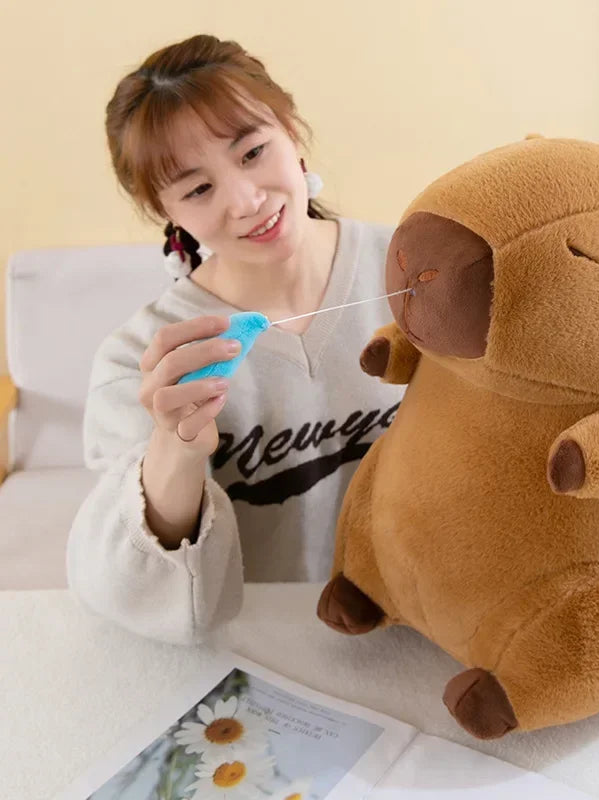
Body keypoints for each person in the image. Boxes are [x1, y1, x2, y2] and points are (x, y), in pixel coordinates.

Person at [66, 34, 404, 645]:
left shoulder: (413, 270)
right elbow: (120, 591)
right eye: (198, 189)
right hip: (260, 652)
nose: (246, 201)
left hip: (427, 627)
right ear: (167, 213)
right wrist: (177, 449)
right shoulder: (143, 360)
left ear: (292, 133)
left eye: (252, 152)